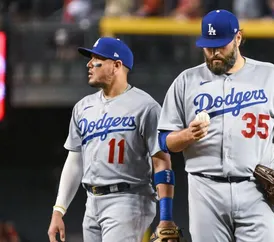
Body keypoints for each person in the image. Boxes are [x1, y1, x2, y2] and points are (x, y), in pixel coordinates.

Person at [157, 9, 274, 242]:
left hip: (257, 189)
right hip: (205, 190)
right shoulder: (185, 81)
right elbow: (163, 142)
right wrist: (187, 136)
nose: (214, 53)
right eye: (209, 47)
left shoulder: (269, 75)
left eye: (221, 45)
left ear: (238, 38)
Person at [47, 37, 179, 242]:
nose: (89, 64)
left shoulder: (146, 106)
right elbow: (74, 161)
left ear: (116, 65)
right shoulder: (83, 107)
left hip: (129, 198)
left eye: (97, 59)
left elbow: (161, 161)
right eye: (90, 59)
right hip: (91, 201)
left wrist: (166, 217)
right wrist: (59, 210)